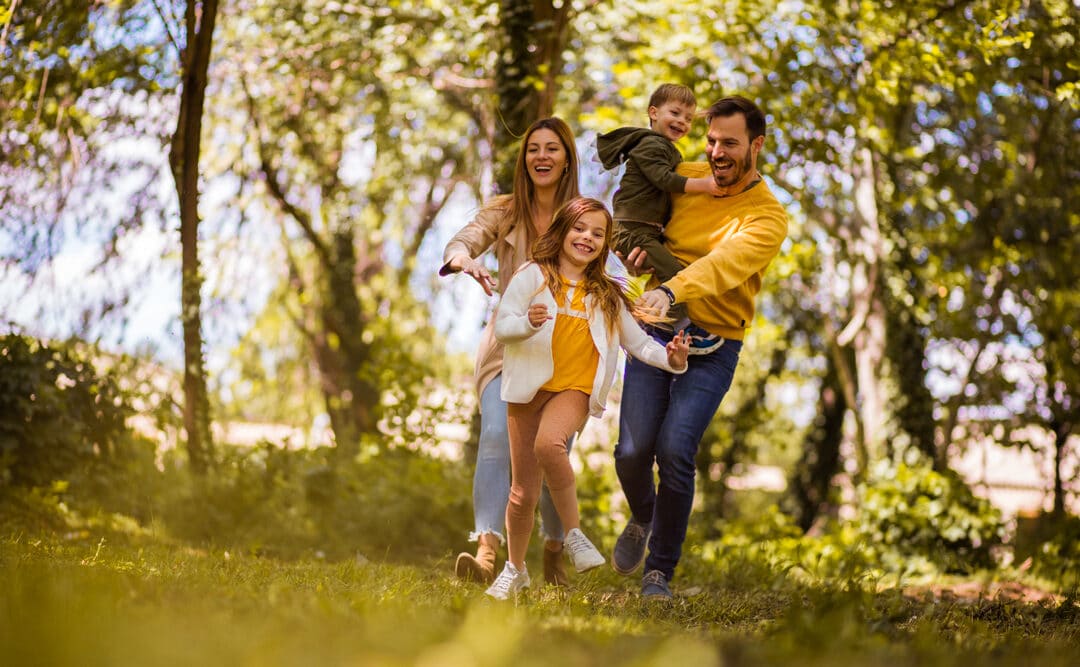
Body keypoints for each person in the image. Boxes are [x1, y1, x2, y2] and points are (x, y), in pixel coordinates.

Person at [611, 96, 788, 599]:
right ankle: (644, 516)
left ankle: (658, 572)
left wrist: (671, 289)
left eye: (729, 143)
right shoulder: (684, 175)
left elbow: (723, 264)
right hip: (655, 329)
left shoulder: (767, 217)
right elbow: (634, 212)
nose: (716, 153)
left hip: (715, 343)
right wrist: (634, 249)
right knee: (630, 452)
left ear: (757, 145)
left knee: (674, 450)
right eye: (711, 141)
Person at [484, 197, 690, 600]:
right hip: (528, 388)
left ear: (604, 244)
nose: (587, 238)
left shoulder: (608, 295)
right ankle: (515, 569)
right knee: (522, 491)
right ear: (562, 230)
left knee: (549, 444)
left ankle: (574, 534)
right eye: (580, 229)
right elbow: (504, 326)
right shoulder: (532, 276)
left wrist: (671, 359)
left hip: (574, 390)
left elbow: (638, 343)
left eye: (598, 234)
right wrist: (527, 323)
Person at [440, 118, 581, 587]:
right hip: (509, 344)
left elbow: (614, 266)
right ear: (525, 161)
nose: (541, 156)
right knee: (498, 436)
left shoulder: (583, 217)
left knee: (550, 450)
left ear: (566, 160)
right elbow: (462, 239)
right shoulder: (503, 211)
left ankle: (554, 549)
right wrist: (464, 259)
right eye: (533, 149)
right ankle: (486, 555)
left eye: (551, 149)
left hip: (566, 350)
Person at [596, 83, 724, 353]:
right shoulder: (651, 144)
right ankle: (686, 329)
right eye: (675, 113)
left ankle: (661, 323)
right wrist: (704, 184)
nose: (682, 122)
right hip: (632, 230)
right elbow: (663, 179)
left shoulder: (663, 146)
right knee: (676, 275)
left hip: (643, 230)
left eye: (688, 118)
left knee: (673, 270)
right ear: (653, 112)